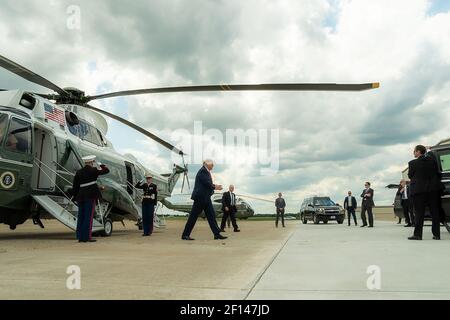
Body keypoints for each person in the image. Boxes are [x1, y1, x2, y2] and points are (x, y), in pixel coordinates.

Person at [181, 160, 227, 241]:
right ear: (206, 164)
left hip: (206, 198)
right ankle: (185, 235)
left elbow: (207, 184)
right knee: (193, 217)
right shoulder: (203, 171)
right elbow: (207, 183)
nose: (213, 165)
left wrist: (214, 188)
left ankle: (216, 234)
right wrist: (216, 187)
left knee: (211, 216)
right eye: (211, 164)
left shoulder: (206, 171)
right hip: (200, 198)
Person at [408, 145, 443, 241]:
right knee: (435, 212)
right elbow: (437, 170)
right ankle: (437, 235)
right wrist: (429, 150)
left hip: (419, 191)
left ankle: (418, 235)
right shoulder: (432, 161)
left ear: (418, 152)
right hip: (433, 190)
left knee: (419, 213)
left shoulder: (412, 163)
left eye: (414, 151)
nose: (413, 153)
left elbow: (410, 175)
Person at [72, 155, 110, 243]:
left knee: (81, 216)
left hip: (80, 196)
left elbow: (75, 186)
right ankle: (86, 237)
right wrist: (100, 164)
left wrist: (75, 197)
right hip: (90, 196)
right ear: (91, 162)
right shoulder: (93, 170)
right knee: (88, 217)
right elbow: (106, 170)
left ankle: (80, 236)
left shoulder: (79, 172)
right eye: (93, 162)